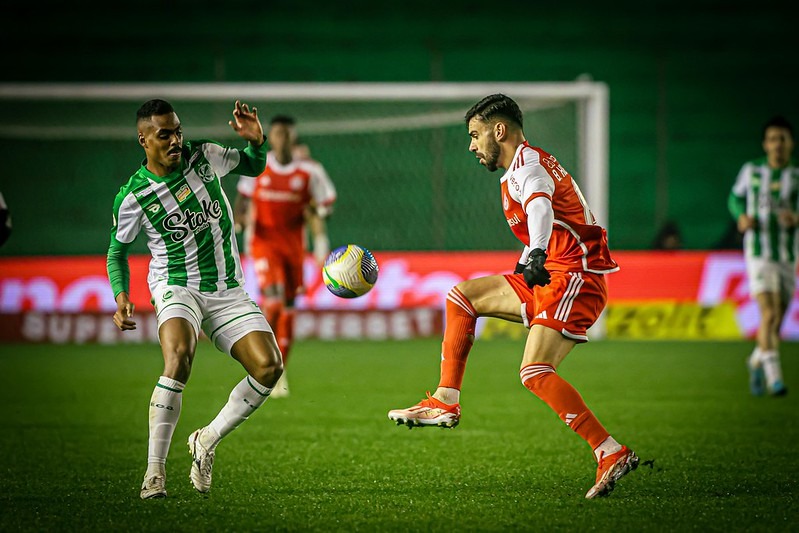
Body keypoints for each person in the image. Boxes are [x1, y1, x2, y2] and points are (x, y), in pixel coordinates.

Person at [388, 94, 638, 499]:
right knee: (462, 297)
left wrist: (537, 250)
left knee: (534, 372)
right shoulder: (521, 167)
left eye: (475, 134)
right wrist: (528, 260)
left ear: (498, 130)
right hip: (550, 272)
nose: (471, 145)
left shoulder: (528, 164)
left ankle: (610, 451)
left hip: (575, 275)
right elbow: (546, 216)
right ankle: (445, 400)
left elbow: (541, 207)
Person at [107, 99, 284, 499]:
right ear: (143, 140)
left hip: (227, 289)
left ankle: (206, 440)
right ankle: (155, 472)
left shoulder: (203, 156)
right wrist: (121, 296)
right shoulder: (133, 197)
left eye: (178, 130)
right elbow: (116, 252)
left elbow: (254, 166)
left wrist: (257, 141)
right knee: (179, 357)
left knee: (269, 368)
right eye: (164, 134)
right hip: (176, 284)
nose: (175, 140)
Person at [234, 116, 336, 398]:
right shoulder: (258, 165)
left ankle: (279, 370)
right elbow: (242, 199)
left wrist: (321, 239)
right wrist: (240, 219)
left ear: (293, 137)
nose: (281, 139)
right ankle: (263, 360)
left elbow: (324, 203)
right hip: (263, 243)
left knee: (289, 305)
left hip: (293, 246)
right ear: (271, 136)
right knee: (275, 298)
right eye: (277, 134)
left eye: (286, 134)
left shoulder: (309, 171)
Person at [728, 115, 797, 397]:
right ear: (765, 144)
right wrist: (741, 217)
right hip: (758, 253)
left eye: (782, 139)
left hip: (787, 255)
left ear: (790, 143)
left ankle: (756, 360)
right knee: (768, 313)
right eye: (772, 139)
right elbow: (734, 198)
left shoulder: (795, 175)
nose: (777, 144)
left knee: (777, 319)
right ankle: (775, 379)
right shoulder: (752, 170)